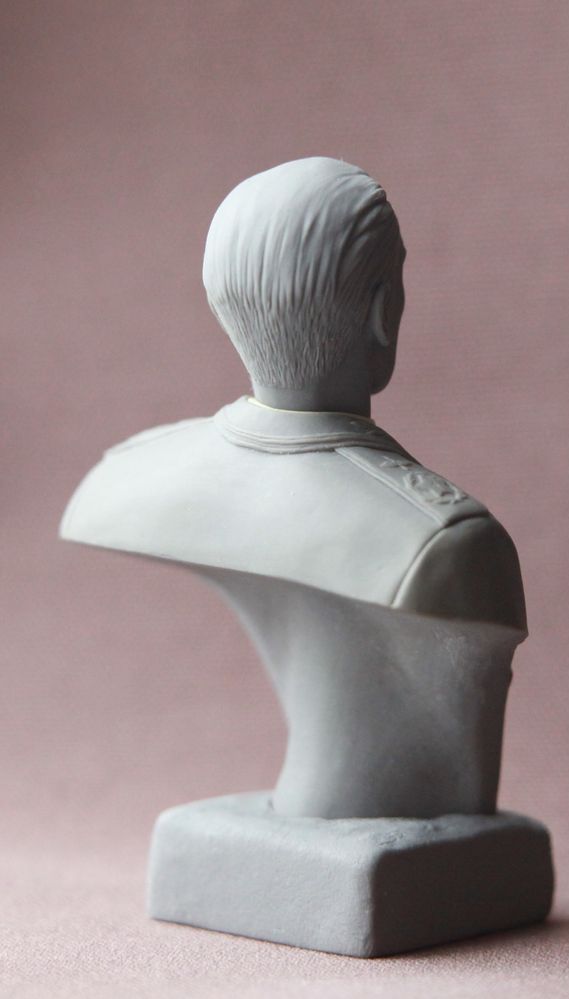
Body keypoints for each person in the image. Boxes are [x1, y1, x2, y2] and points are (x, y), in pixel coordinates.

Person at [61, 157, 527, 819]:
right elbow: (463, 774)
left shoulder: (123, 476)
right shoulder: (451, 544)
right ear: (382, 313)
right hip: (386, 815)